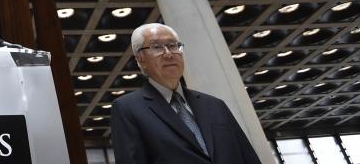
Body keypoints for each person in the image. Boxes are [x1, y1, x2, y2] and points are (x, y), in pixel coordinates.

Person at [110, 23, 261, 164]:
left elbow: (247, 156)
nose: (168, 54)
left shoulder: (215, 104)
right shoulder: (127, 109)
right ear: (140, 59)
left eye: (173, 46)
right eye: (157, 47)